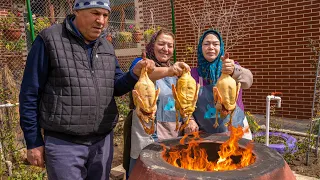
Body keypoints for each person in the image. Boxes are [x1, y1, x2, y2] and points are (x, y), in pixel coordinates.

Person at [19, 0, 155, 179]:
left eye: (105, 15)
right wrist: (33, 141)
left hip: (102, 142)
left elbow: (115, 87)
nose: (101, 21)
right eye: (95, 13)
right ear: (76, 11)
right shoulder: (49, 39)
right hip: (64, 144)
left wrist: (133, 74)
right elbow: (30, 93)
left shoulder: (106, 46)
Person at [124, 29, 198, 177]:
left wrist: (190, 119)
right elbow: (145, 73)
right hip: (147, 140)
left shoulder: (177, 74)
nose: (166, 49)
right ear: (152, 45)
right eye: (161, 44)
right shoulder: (141, 64)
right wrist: (170, 70)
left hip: (172, 138)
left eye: (170, 45)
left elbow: (182, 102)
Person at [190, 29, 253, 139]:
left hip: (236, 132)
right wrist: (190, 119)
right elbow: (187, 104)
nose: (211, 47)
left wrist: (235, 70)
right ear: (200, 48)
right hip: (206, 136)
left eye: (215, 44)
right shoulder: (193, 74)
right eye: (206, 44)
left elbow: (248, 82)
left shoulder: (232, 67)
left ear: (221, 47)